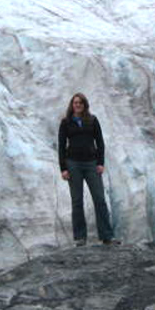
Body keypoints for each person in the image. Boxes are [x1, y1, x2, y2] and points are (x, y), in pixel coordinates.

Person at [58, 93, 120, 246]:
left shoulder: (92, 120)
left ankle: (107, 236)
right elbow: (61, 146)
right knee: (77, 201)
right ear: (71, 105)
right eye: (75, 103)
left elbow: (100, 142)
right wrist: (63, 168)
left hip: (91, 163)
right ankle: (80, 237)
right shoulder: (66, 122)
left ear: (85, 104)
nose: (77, 105)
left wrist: (100, 163)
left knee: (99, 199)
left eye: (80, 102)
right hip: (73, 164)